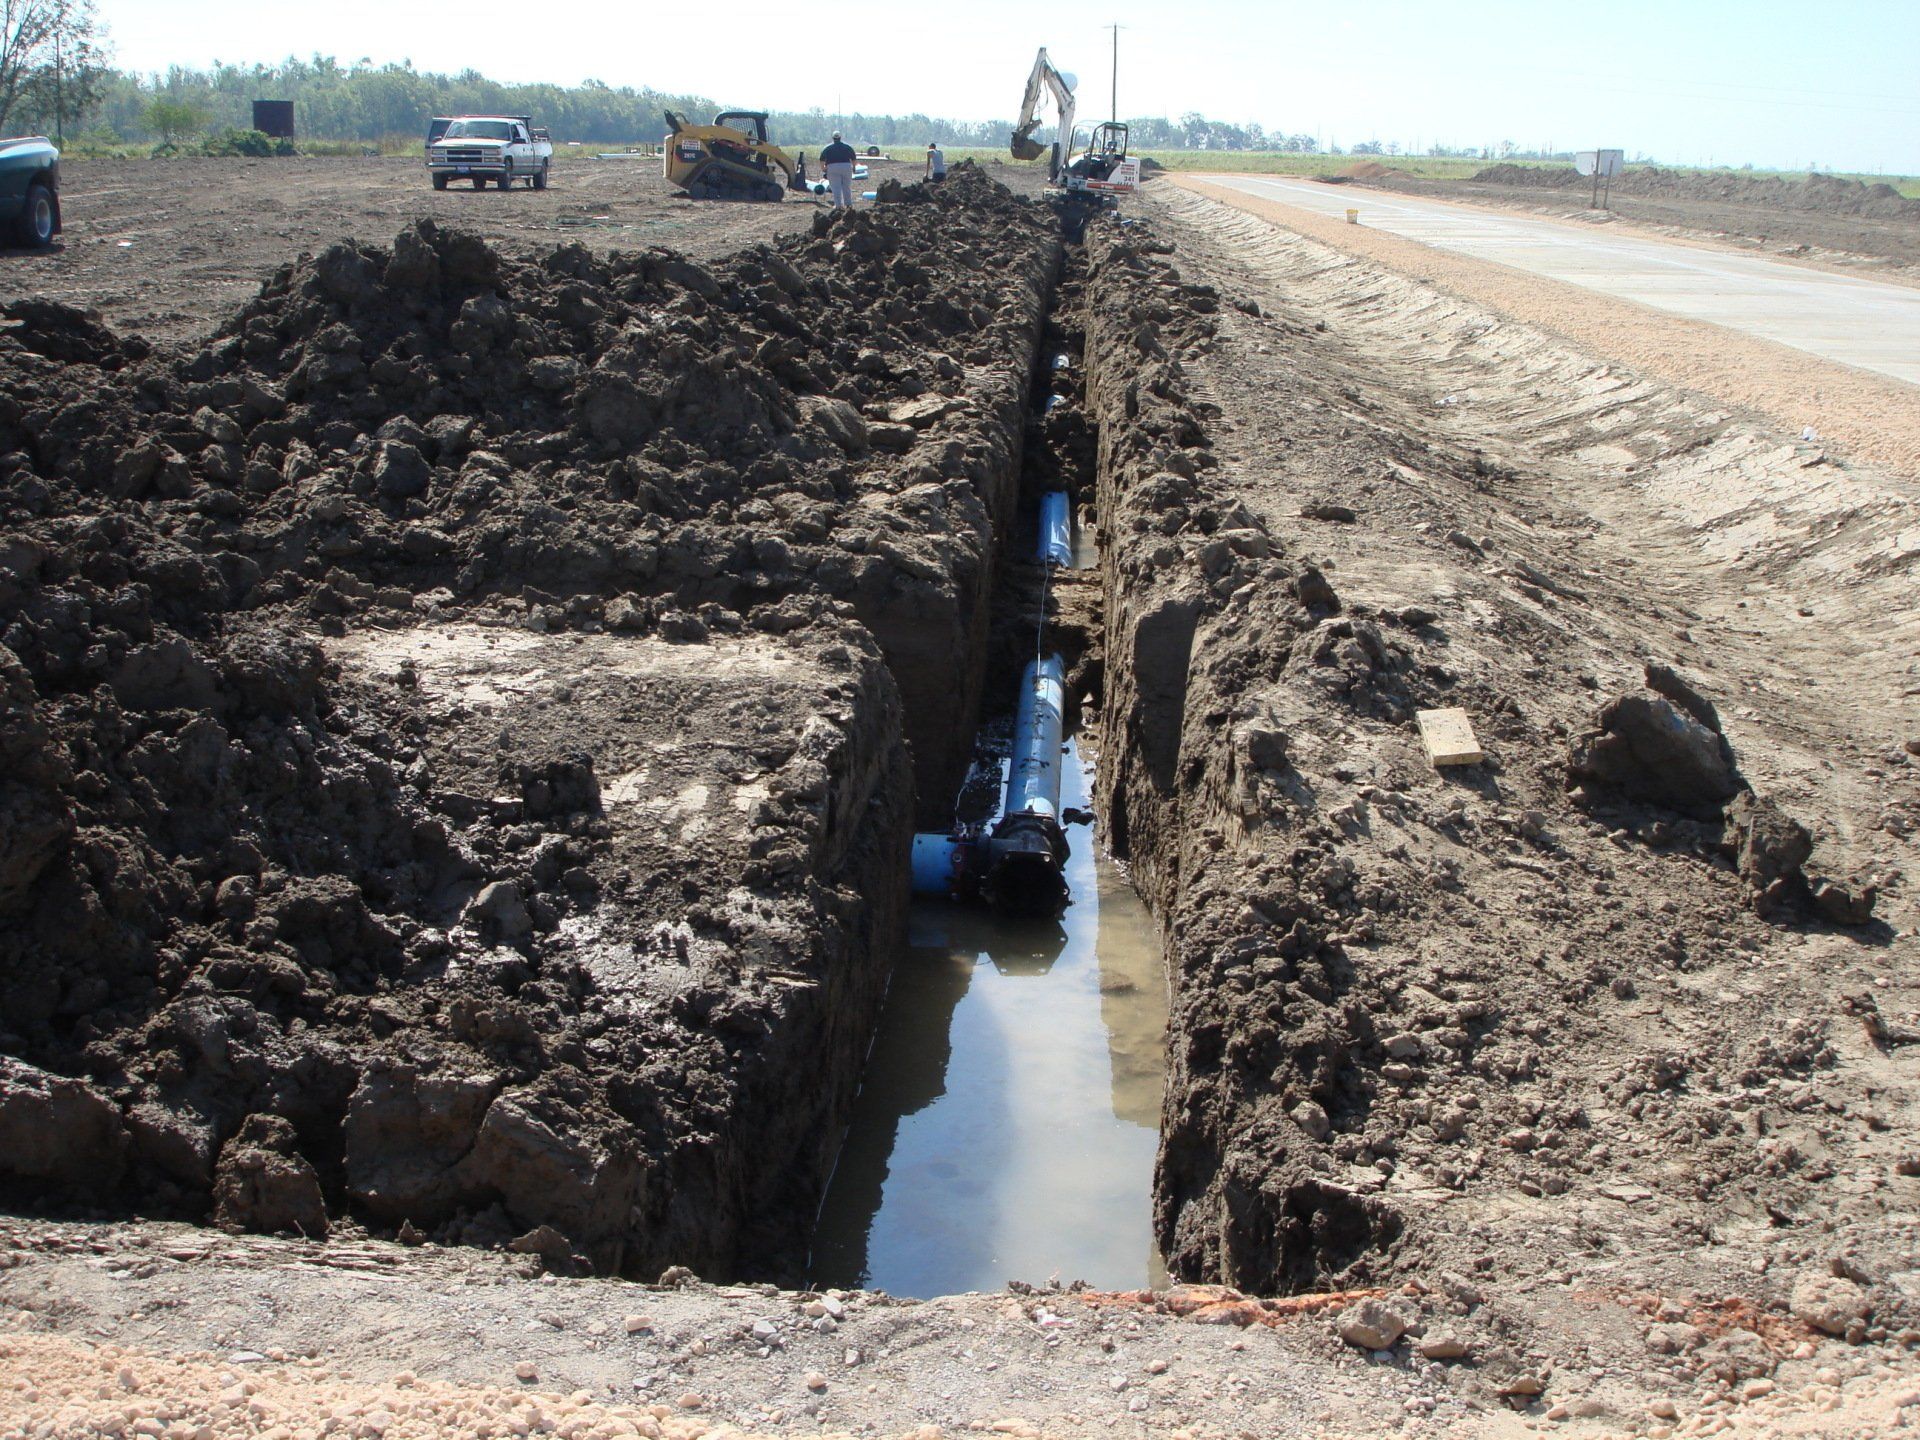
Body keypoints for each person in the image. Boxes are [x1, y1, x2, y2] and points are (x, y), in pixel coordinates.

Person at [820, 131, 857, 208]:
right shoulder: (847, 147)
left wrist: (823, 168)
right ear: (840, 138)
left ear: (833, 138)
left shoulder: (828, 148)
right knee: (846, 186)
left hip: (832, 167)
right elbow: (853, 158)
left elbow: (822, 159)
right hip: (846, 166)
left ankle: (838, 205)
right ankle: (848, 204)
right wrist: (854, 167)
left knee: (836, 187)